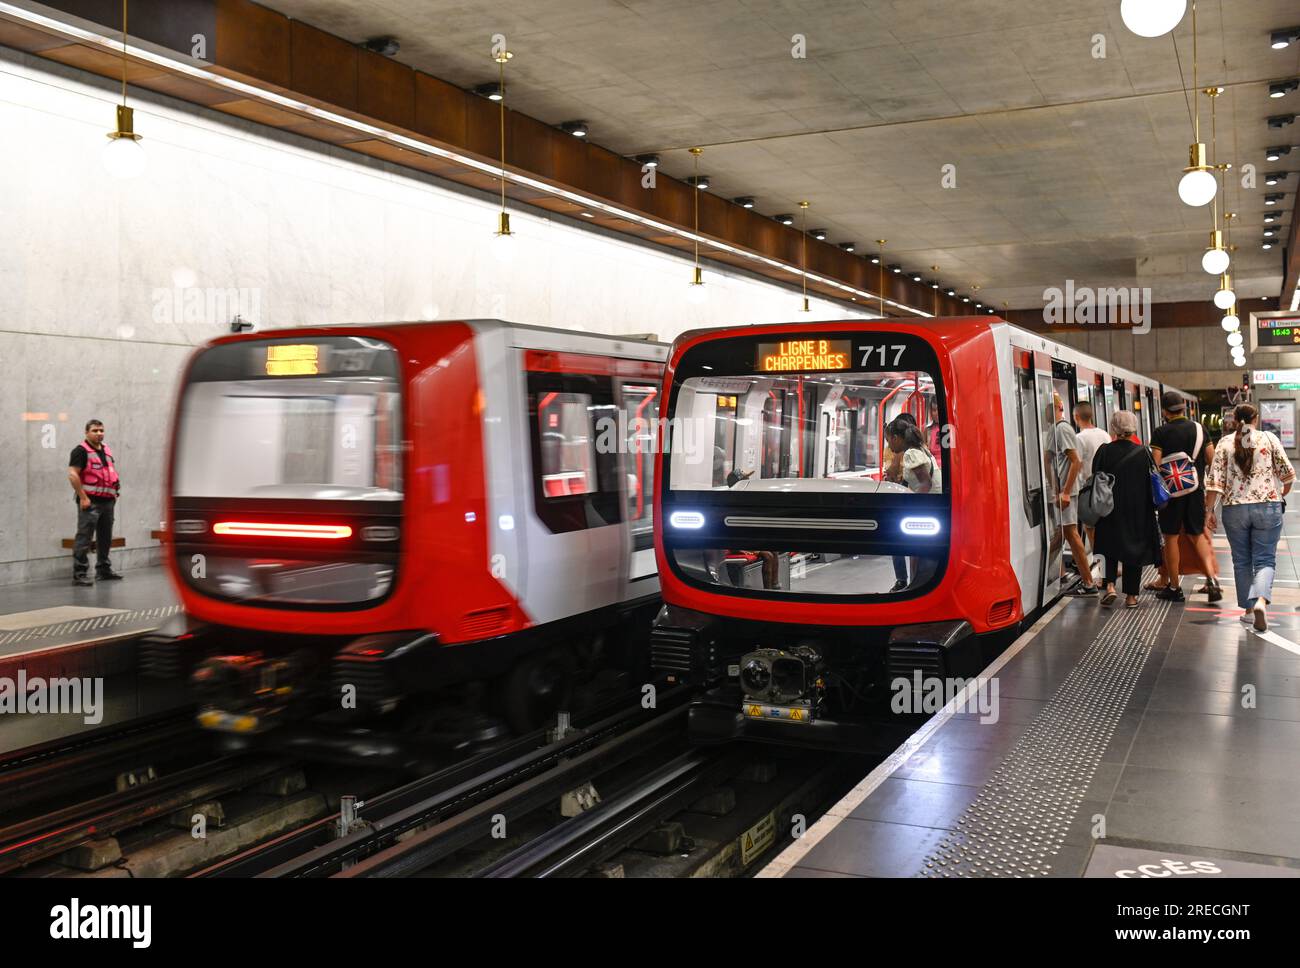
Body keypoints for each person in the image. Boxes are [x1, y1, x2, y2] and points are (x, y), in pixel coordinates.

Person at [1204, 403, 1295, 631]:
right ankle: (1262, 602)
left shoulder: (1224, 443)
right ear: (1256, 418)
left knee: (1242, 561)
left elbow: (1214, 483)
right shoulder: (1269, 439)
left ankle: (1248, 610)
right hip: (1267, 506)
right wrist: (1280, 494)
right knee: (1265, 560)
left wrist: (1209, 511)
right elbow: (1288, 475)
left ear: (1234, 419)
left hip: (1235, 509)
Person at [1150, 391, 1222, 603]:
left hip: (1170, 494)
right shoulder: (1200, 429)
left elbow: (1155, 464)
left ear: (1164, 411)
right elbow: (1212, 460)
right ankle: (1212, 580)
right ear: (1183, 408)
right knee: (1197, 534)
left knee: (1171, 537)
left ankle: (1174, 587)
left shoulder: (1160, 432)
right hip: (1195, 491)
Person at [1092, 410, 1162, 608]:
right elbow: (1152, 480)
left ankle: (1110, 587)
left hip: (1108, 508)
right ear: (1134, 429)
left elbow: (1095, 476)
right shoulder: (1144, 452)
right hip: (1137, 510)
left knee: (1106, 547)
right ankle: (1132, 597)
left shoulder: (1104, 450)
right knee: (1134, 551)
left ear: (1113, 428)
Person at [884, 417, 939, 591]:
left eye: (888, 440)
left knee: (913, 546)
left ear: (896, 438)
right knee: (916, 548)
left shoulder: (910, 453)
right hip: (933, 503)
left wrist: (911, 505)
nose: (890, 447)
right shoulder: (920, 448)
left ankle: (915, 586)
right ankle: (915, 584)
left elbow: (925, 483)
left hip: (927, 504)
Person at [68, 418, 123, 586]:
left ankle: (103, 570)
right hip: (90, 502)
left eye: (101, 430)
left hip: (107, 502)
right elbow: (73, 474)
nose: (99, 433)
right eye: (95, 431)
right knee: (84, 538)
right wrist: (83, 497)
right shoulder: (80, 451)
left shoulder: (106, 450)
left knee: (105, 537)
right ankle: (80, 574)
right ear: (87, 433)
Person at [1051, 393, 1097, 594]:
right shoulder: (1060, 429)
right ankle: (1056, 572)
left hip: (1072, 490)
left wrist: (1065, 492)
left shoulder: (1064, 431)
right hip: (1084, 489)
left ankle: (1089, 583)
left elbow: (1075, 462)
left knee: (1071, 533)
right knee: (1063, 533)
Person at [1073, 401, 1111, 555]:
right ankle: (1110, 566)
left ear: (1076, 417)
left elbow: (1077, 464)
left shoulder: (1079, 438)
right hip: (1107, 488)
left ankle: (1101, 566)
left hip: (1089, 490)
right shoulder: (1105, 434)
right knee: (1106, 529)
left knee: (1091, 529)